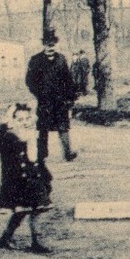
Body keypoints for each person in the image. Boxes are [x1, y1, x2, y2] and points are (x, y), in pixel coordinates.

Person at [0, 102, 53, 254]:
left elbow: (39, 157)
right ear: (12, 121)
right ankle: (6, 238)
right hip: (16, 182)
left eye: (27, 118)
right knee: (20, 211)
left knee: (36, 210)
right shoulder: (8, 137)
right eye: (20, 120)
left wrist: (35, 140)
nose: (25, 122)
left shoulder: (34, 135)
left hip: (35, 180)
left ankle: (37, 241)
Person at [26, 30, 79, 161]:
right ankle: (42, 154)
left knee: (63, 127)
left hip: (60, 101)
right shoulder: (35, 60)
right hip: (45, 100)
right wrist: (39, 93)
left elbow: (68, 79)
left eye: (53, 45)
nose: (51, 47)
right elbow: (29, 80)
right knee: (43, 128)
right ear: (43, 45)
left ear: (56, 45)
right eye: (48, 45)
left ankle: (68, 153)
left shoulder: (61, 59)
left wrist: (70, 96)